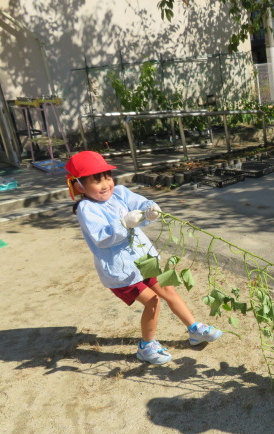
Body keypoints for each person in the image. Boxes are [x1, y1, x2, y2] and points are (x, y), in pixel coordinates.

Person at [66, 151, 222, 365]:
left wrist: (150, 209)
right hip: (121, 270)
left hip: (144, 258)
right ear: (79, 186)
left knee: (168, 289)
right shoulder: (86, 208)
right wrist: (124, 223)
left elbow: (140, 203)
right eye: (96, 180)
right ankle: (146, 347)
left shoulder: (120, 192)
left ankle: (194, 329)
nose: (105, 185)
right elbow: (102, 238)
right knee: (152, 301)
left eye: (107, 177)